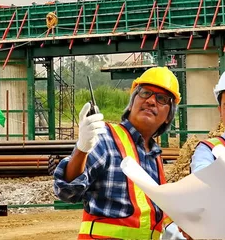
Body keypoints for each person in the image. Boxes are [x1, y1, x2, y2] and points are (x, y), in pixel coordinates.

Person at [53, 66, 181, 240]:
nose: (151, 101)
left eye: (161, 98)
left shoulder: (155, 157)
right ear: (132, 103)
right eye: (144, 93)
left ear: (168, 116)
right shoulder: (105, 138)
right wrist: (82, 149)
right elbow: (67, 191)